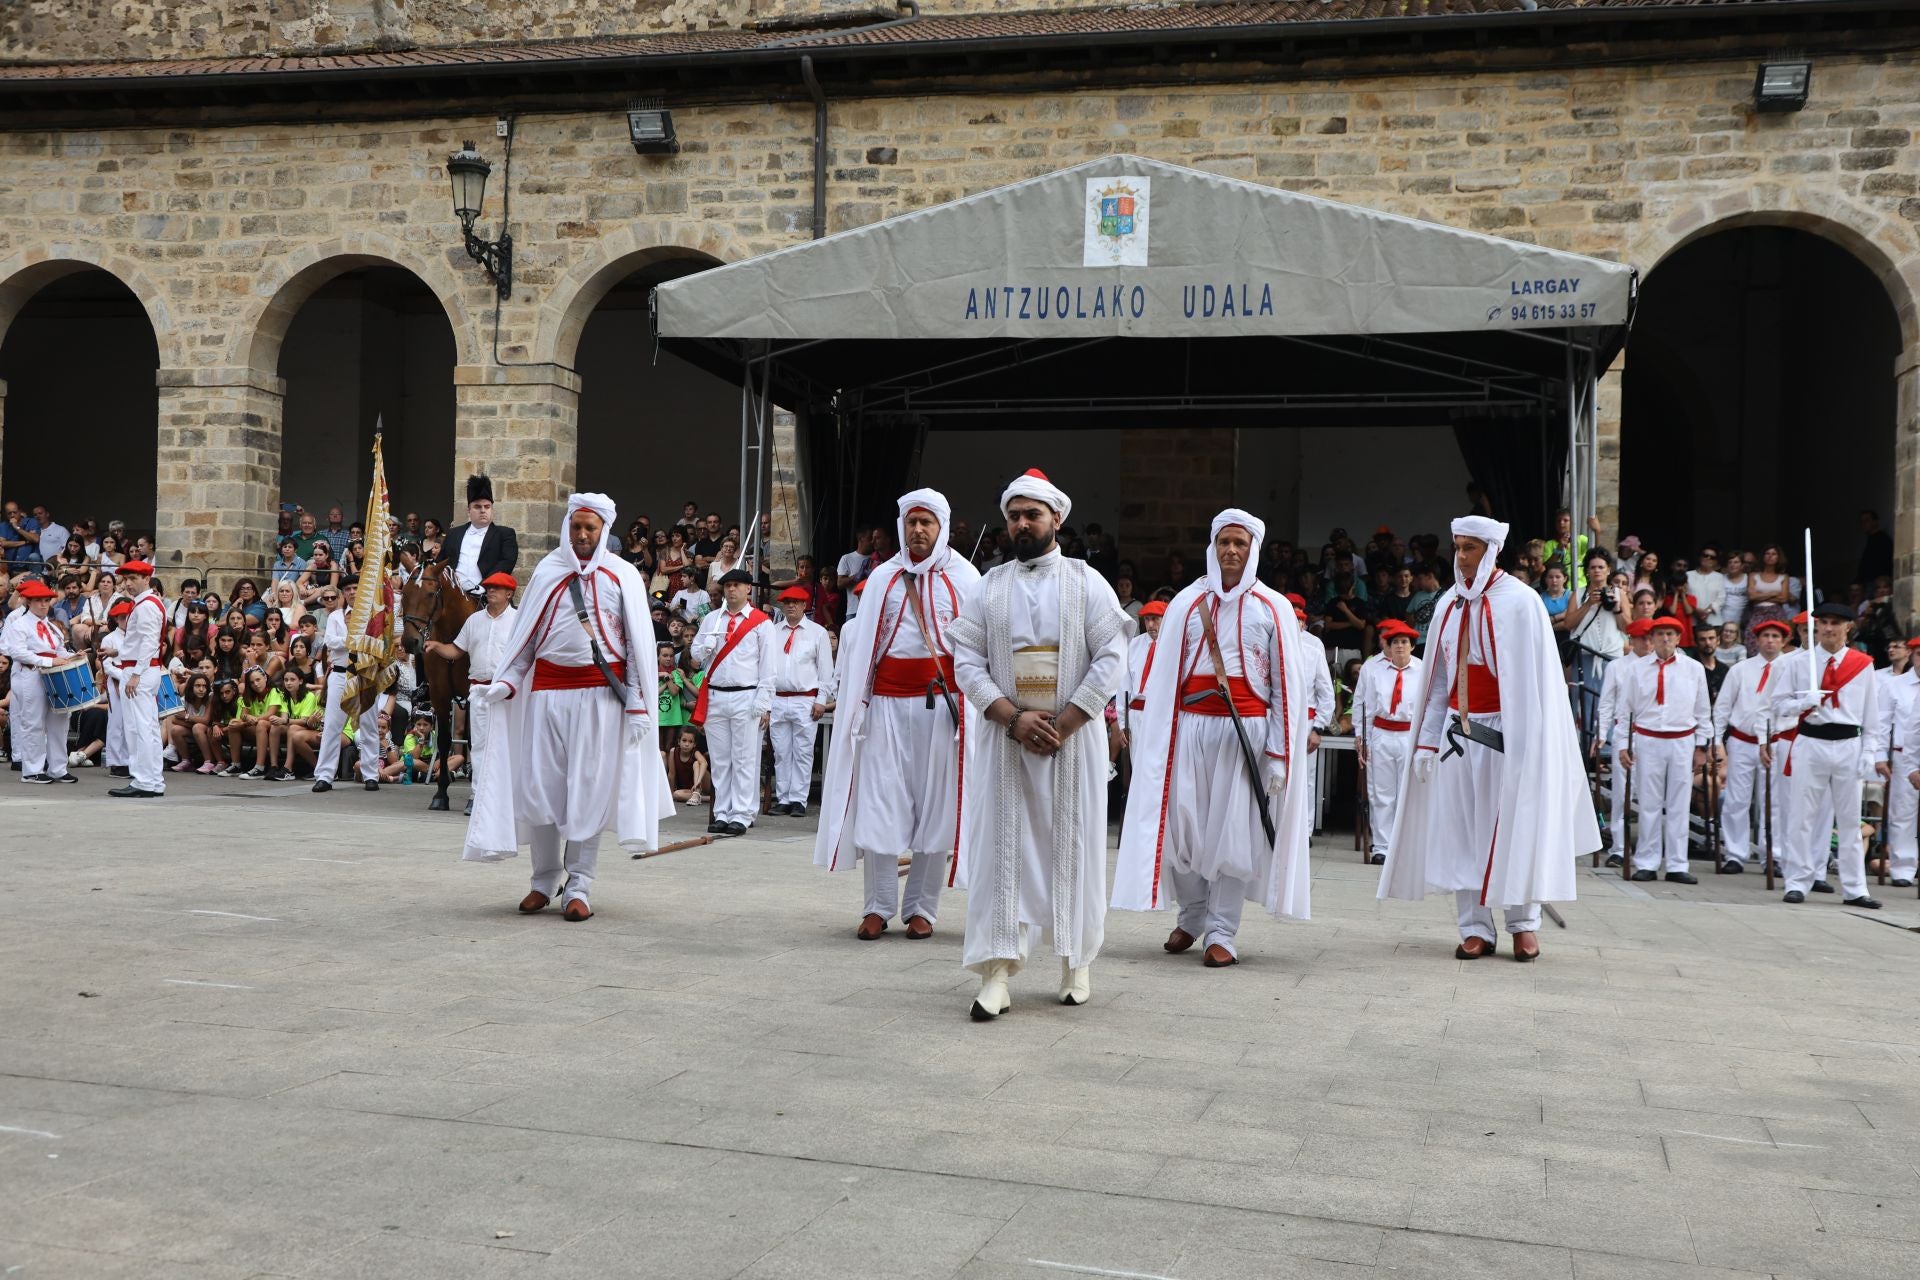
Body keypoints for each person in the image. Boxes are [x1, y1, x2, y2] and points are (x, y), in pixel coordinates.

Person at [947, 469, 1126, 1017]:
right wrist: (1013, 718)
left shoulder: (1088, 582)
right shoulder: (988, 585)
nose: (1022, 524)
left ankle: (1076, 962)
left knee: (1073, 844)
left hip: (1073, 740)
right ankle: (997, 970)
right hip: (1007, 739)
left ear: (1057, 519)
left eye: (1033, 515)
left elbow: (1112, 659)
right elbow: (967, 662)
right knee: (1001, 850)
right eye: (1014, 516)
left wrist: (1064, 723)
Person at [1379, 517, 1599, 960]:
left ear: (1492, 551)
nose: (1461, 557)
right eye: (1457, 548)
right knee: (1464, 831)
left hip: (1509, 733)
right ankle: (1475, 927)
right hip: (1459, 733)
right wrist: (1424, 743)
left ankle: (1523, 924)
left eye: (1470, 549)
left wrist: (1532, 743)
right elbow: (1439, 682)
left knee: (1517, 824)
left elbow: (1537, 685)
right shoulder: (1447, 605)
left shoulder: (1521, 602)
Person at [1114, 508, 1312, 967]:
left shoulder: (1273, 607)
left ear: (1253, 550)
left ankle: (1222, 930)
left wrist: (1280, 753)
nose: (1231, 550)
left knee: (1231, 835)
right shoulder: (1186, 601)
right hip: (1189, 729)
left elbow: (1284, 685)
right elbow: (1166, 678)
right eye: (1224, 542)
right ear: (1213, 546)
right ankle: (1193, 914)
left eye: (1240, 543)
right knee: (1182, 829)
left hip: (1246, 735)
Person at [462, 493, 672, 921]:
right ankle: (542, 881)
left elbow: (636, 648)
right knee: (541, 791)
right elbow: (526, 639)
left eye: (590, 528)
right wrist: (506, 681)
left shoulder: (623, 576)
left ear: (603, 531)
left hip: (600, 700)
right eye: (576, 526)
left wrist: (636, 703)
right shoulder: (547, 572)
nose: (581, 535)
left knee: (587, 791)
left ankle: (580, 887)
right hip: (547, 696)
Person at [814, 489, 982, 940]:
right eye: (911, 522)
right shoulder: (884, 578)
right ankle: (877, 906)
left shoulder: (967, 579)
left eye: (927, 522)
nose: (918, 530)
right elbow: (863, 648)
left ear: (942, 527)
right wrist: (857, 709)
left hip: (942, 711)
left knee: (936, 809)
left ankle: (923, 910)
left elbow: (977, 653)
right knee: (879, 804)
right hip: (885, 706)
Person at [1773, 601, 1886, 908]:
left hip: (1848, 744)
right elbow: (1777, 706)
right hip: (1811, 741)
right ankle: (1797, 881)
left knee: (1849, 820)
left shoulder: (1862, 664)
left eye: (1836, 623)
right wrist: (1801, 703)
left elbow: (1872, 715)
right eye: (1823, 622)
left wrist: (1869, 752)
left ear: (1847, 627)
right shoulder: (1799, 663)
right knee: (1802, 816)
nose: (1828, 628)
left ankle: (1855, 888)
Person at [1617, 617, 1712, 885]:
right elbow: (1625, 709)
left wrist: (1703, 745)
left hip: (1682, 739)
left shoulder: (1693, 669)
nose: (1665, 639)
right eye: (1660, 635)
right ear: (1652, 638)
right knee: (1649, 802)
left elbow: (1703, 709)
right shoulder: (1637, 669)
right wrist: (1624, 743)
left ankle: (1677, 863)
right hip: (1648, 739)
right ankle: (1647, 861)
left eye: (1670, 634)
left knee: (1679, 803)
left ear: (1679, 638)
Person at [425, 571, 519, 816]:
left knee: (509, 745)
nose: (490, 591)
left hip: (508, 691)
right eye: (488, 587)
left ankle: (508, 797)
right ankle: (477, 795)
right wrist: (436, 646)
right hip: (478, 689)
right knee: (478, 746)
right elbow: (456, 651)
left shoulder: (519, 620)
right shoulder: (474, 620)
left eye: (496, 588)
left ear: (509, 593)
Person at [690, 568, 775, 836]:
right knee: (721, 758)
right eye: (727, 585)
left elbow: (769, 668)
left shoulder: (761, 622)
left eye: (737, 585)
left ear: (748, 589)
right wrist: (704, 649)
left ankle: (742, 812)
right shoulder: (712, 620)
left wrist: (764, 703)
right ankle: (722, 812)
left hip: (746, 695)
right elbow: (695, 654)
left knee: (744, 757)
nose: (731, 590)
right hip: (715, 694)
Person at [1710, 618, 1792, 876]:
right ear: (1756, 640)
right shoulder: (1741, 670)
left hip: (1775, 741)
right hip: (1742, 740)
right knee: (1737, 799)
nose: (1770, 640)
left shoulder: (1791, 669)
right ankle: (1736, 853)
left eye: (1775, 636)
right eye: (1765, 635)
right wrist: (1716, 740)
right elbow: (1723, 706)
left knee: (1774, 802)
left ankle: (1774, 854)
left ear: (1783, 641)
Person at [1352, 619, 1423, 866]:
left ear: (1412, 646)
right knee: (1381, 793)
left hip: (1409, 735)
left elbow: (1428, 709)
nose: (1400, 647)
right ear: (1389, 646)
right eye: (1395, 643)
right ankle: (1381, 846)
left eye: (1405, 642)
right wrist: (1362, 740)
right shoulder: (1374, 670)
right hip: (1381, 733)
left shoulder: (1422, 671)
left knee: (1407, 792)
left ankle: (1404, 844)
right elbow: (1365, 707)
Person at [0, 579, 80, 783]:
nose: (44, 604)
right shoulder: (19, 624)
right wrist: (50, 661)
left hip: (52, 675)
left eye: (46, 600)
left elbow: (59, 648)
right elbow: (18, 653)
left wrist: (72, 656)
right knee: (33, 722)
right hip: (30, 675)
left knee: (59, 722)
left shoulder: (51, 627)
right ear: (28, 602)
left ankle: (58, 768)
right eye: (39, 601)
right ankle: (32, 770)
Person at [767, 585, 835, 818]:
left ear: (804, 605)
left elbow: (826, 670)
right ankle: (783, 798)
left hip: (805, 698)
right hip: (778, 697)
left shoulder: (818, 632)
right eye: (787, 602)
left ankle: (798, 799)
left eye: (796, 602)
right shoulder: (773, 631)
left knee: (803, 751)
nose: (791, 606)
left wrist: (821, 700)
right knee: (782, 752)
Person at [1594, 618, 1655, 866]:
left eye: (1651, 638)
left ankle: (1648, 850)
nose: (1648, 643)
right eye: (1643, 638)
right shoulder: (1618, 667)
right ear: (1633, 640)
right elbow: (1607, 703)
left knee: (1650, 794)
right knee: (1621, 793)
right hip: (1624, 732)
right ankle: (1619, 848)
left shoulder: (1659, 666)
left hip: (1652, 732)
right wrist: (1601, 735)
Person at [310, 587, 382, 792]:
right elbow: (330, 641)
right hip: (341, 673)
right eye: (348, 589)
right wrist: (353, 641)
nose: (352, 592)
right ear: (344, 594)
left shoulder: (373, 615)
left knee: (369, 725)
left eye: (356, 589)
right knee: (333, 725)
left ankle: (371, 774)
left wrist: (360, 642)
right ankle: (324, 775)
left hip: (365, 674)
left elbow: (377, 643)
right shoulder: (336, 616)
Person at [109, 560, 167, 798]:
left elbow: (150, 643)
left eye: (133, 579)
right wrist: (119, 653)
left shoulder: (145, 606)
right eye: (126, 579)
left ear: (146, 579)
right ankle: (152, 780)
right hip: (142, 669)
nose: (128, 584)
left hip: (139, 672)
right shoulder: (146, 603)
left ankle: (144, 780)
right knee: (148, 728)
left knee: (138, 728)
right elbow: (141, 641)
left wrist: (135, 673)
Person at [1874, 635, 1920, 885]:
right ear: (1912, 656)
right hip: (1903, 754)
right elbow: (1881, 724)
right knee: (1903, 812)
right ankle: (1902, 869)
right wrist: (1880, 756)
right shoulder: (1895, 685)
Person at [442, 474, 519, 597]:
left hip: (487, 595)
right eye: (477, 507)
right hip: (452, 596)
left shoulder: (505, 534)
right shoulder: (453, 533)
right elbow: (441, 562)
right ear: (469, 510)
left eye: (487, 507)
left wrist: (484, 586)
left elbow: (506, 563)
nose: (483, 510)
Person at [664, 726, 712, 805]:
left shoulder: (695, 752)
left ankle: (697, 793)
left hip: (701, 784)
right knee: (676, 794)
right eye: (684, 740)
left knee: (697, 763)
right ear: (679, 742)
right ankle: (705, 798)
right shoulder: (674, 751)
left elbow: (704, 763)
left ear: (694, 744)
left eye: (690, 742)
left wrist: (698, 781)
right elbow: (671, 774)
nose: (687, 744)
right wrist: (671, 793)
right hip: (689, 789)